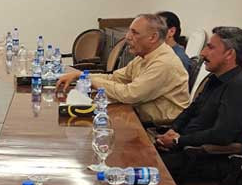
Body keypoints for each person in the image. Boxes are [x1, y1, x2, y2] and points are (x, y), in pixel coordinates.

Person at [155, 26, 242, 185]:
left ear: (229, 54)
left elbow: (222, 135)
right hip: (185, 148)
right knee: (136, 154)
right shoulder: (215, 78)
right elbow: (191, 110)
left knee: (143, 168)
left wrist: (179, 141)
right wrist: (173, 130)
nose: (203, 53)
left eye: (210, 47)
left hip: (209, 159)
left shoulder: (239, 86)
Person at [57, 14, 189, 124]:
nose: (128, 37)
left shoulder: (164, 63)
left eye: (135, 33)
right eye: (129, 31)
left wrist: (90, 81)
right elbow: (115, 78)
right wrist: (81, 76)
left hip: (158, 128)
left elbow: (130, 94)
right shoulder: (144, 56)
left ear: (153, 37)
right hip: (136, 116)